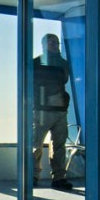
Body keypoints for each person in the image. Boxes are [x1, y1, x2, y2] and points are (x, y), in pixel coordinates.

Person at [32, 34, 73, 190]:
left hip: (59, 110)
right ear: (44, 44)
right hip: (42, 110)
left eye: (57, 42)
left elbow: (63, 80)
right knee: (35, 145)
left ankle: (59, 177)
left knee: (59, 146)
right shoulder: (36, 63)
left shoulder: (62, 63)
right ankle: (33, 175)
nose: (55, 45)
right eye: (51, 42)